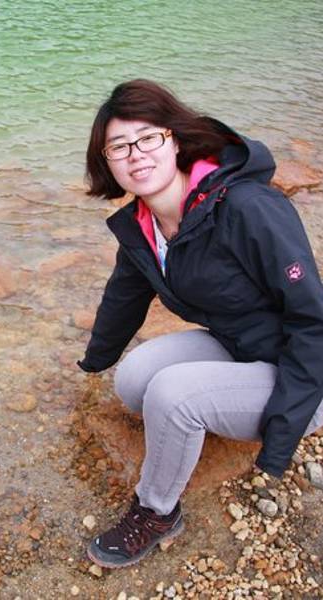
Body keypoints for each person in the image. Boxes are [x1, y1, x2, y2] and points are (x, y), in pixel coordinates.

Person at [77, 79, 323, 568]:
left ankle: (157, 511)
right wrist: (93, 360)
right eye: (119, 146)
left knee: (173, 395)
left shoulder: (247, 208)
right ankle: (191, 424)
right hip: (241, 345)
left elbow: (314, 321)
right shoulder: (144, 225)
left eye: (148, 138)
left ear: (175, 140)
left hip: (301, 375)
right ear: (106, 162)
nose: (136, 155)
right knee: (133, 380)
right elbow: (124, 296)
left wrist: (282, 434)